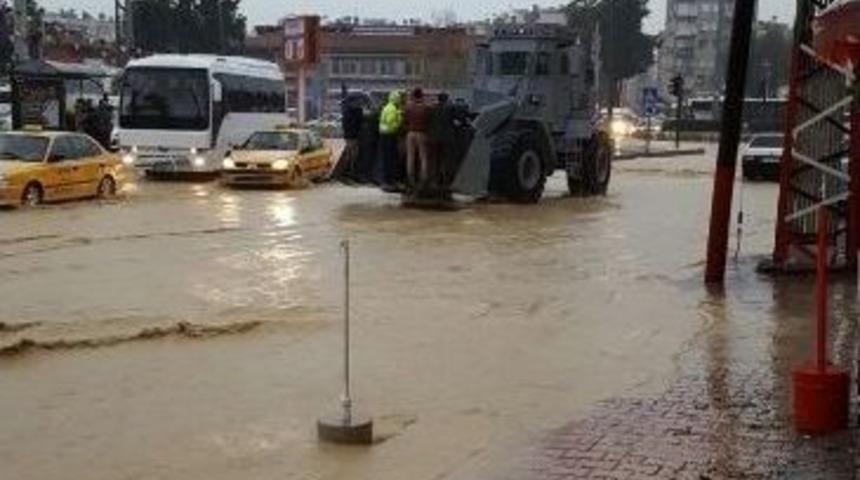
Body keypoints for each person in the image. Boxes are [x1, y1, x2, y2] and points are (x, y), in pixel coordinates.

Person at [404, 88, 431, 189]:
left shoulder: (408, 106)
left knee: (410, 157)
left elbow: (405, 120)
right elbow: (429, 120)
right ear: (421, 95)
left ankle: (410, 179)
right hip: (422, 133)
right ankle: (423, 179)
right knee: (423, 157)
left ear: (413, 95)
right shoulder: (426, 107)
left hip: (410, 133)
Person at [428, 92, 455, 190]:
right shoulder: (450, 108)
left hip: (434, 137)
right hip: (447, 138)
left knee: (435, 159)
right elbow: (454, 119)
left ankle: (434, 180)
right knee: (446, 159)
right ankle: (445, 180)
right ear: (446, 99)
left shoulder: (432, 108)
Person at [378, 91, 403, 188]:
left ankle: (386, 181)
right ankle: (389, 182)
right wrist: (399, 119)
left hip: (383, 135)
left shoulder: (386, 107)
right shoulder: (393, 109)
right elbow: (391, 123)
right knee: (391, 160)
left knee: (386, 159)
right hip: (389, 136)